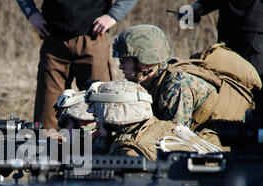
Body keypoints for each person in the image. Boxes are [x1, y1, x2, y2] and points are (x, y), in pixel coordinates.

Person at [85, 80, 229, 186]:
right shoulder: (166, 127)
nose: (96, 123)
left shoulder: (128, 153)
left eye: (98, 117)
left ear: (115, 116)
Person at [112, 24, 261, 131]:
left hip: (222, 140)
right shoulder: (154, 80)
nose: (120, 67)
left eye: (124, 61)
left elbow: (173, 139)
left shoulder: (176, 86)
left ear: (145, 62)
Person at [16, 0, 139, 130]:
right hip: (53, 40)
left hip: (93, 38)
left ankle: (99, 148)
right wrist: (32, 13)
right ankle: (52, 148)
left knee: (102, 109)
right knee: (47, 118)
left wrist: (113, 15)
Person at [191, 0, 262, 107]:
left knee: (254, 83)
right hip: (230, 31)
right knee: (227, 80)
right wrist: (199, 6)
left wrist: (200, 6)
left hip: (251, 31)